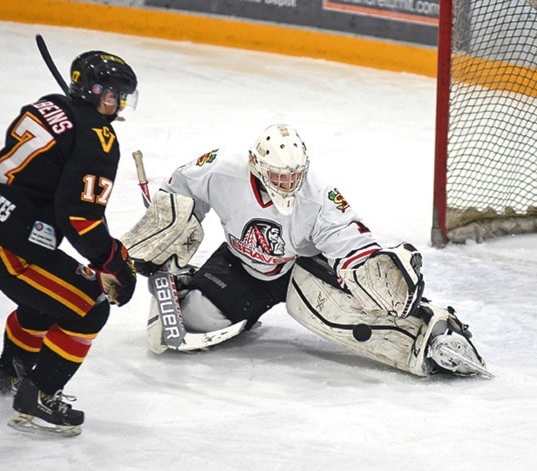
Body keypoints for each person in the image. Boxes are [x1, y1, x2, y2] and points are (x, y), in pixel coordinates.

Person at [122, 124, 491, 378]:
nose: (288, 183)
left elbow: (349, 237)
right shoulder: (223, 171)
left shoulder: (317, 197)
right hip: (240, 263)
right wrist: (168, 230)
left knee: (352, 320)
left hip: (301, 270)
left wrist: (369, 264)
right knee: (193, 322)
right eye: (280, 176)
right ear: (257, 166)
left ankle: (432, 335)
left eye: (294, 175)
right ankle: (219, 298)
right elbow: (183, 187)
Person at [0, 50, 139, 436]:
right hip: (9, 248)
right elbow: (79, 218)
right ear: (87, 91)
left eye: (121, 96)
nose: (117, 103)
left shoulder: (50, 105)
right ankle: (38, 397)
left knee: (47, 300)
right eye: (109, 94)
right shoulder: (99, 140)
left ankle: (7, 377)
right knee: (90, 305)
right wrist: (113, 262)